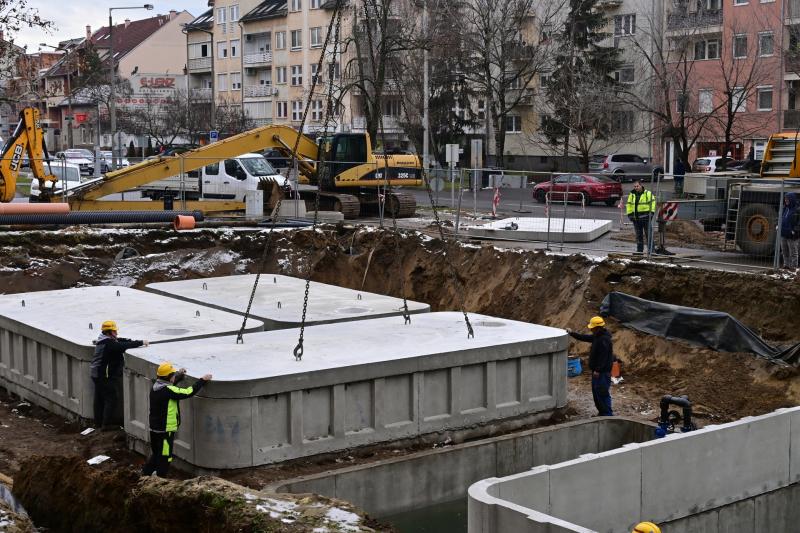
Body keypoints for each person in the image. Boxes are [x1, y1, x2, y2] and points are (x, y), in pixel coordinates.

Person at [142, 362, 212, 477]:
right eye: (173, 375)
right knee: (165, 457)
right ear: (169, 377)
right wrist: (202, 380)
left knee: (157, 454)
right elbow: (188, 392)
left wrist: (179, 375)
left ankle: (145, 474)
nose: (174, 376)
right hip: (165, 430)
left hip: (154, 428)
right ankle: (160, 480)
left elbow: (169, 385)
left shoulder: (155, 387)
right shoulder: (168, 391)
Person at [90, 320, 148, 430]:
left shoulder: (104, 340)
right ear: (109, 332)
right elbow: (121, 346)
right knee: (111, 397)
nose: (116, 333)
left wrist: (131, 340)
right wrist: (140, 343)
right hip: (104, 376)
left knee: (99, 398)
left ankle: (98, 423)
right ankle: (107, 424)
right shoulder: (108, 344)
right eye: (114, 331)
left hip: (97, 374)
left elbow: (119, 341)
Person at [566, 316, 614, 416]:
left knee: (602, 393)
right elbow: (585, 337)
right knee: (596, 394)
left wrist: (598, 370)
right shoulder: (598, 336)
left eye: (592, 327)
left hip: (602, 373)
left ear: (597, 328)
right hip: (598, 372)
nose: (590, 329)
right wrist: (572, 333)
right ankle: (602, 413)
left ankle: (607, 415)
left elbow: (603, 357)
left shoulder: (604, 339)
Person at [626, 180, 656, 254]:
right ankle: (639, 251)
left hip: (646, 218)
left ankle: (651, 251)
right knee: (639, 236)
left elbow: (653, 203)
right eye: (635, 186)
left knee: (649, 235)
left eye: (637, 186)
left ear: (641, 185)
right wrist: (630, 215)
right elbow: (629, 205)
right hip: (636, 219)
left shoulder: (647, 193)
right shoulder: (632, 194)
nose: (636, 188)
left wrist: (651, 213)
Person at [780, 192, 800, 269]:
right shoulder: (785, 208)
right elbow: (779, 217)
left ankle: (794, 267)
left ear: (791, 199)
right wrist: (777, 224)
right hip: (784, 233)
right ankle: (786, 265)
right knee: (784, 251)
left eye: (787, 199)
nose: (786, 200)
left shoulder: (797, 210)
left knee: (793, 252)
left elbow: (799, 223)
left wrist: (795, 230)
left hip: (792, 235)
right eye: (785, 199)